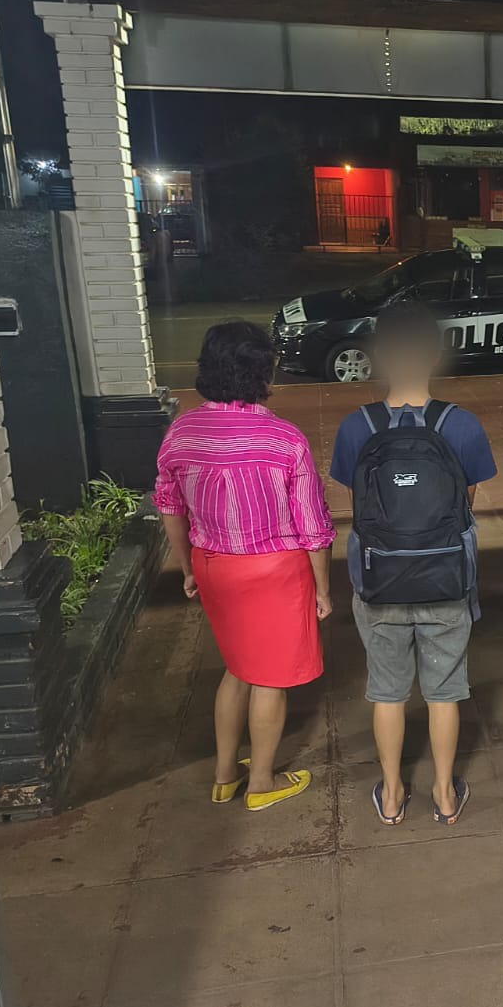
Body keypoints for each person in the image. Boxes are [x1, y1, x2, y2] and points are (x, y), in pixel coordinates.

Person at [154, 321, 334, 812]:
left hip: (213, 564)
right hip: (273, 569)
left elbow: (170, 506)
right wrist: (322, 588)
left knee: (237, 668)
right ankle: (261, 784)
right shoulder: (284, 439)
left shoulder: (181, 431)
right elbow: (313, 527)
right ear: (264, 371)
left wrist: (188, 568)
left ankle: (223, 775)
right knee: (269, 676)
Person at [329, 303, 496, 826]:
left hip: (379, 580)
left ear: (381, 355)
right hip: (446, 579)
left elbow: (358, 504)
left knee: (387, 692)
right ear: (435, 353)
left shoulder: (356, 426)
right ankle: (444, 794)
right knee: (445, 693)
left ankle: (393, 793)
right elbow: (465, 503)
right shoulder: (461, 424)